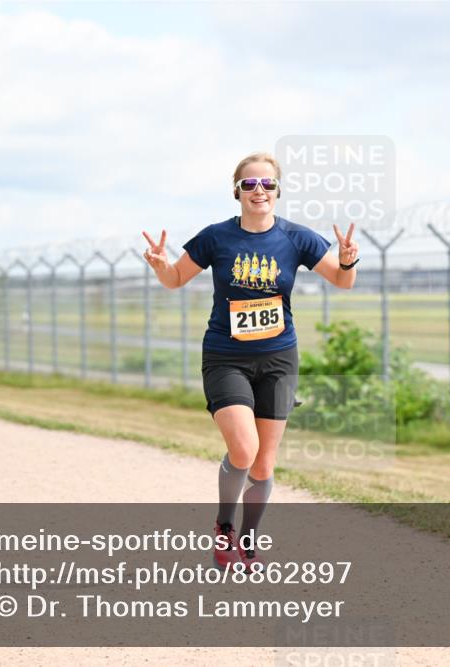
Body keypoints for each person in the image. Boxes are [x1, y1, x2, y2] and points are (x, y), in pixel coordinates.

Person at [142, 151, 359, 571]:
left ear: (278, 190)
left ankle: (248, 541)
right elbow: (174, 280)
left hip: (278, 359)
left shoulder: (297, 238)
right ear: (237, 190)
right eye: (250, 184)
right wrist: (160, 265)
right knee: (243, 449)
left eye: (267, 184)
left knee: (264, 461)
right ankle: (224, 526)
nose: (259, 191)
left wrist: (348, 260)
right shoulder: (216, 237)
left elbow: (342, 281)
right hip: (226, 357)